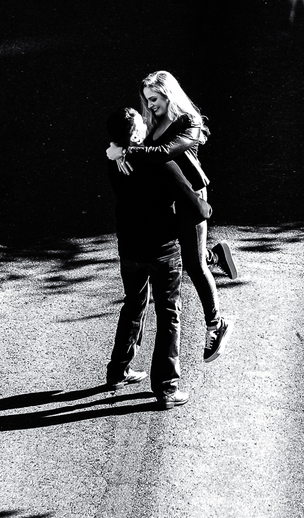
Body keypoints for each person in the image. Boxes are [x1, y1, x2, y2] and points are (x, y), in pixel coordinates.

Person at [107, 70, 237, 363]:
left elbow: (164, 152)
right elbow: (139, 143)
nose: (149, 105)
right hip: (167, 197)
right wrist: (117, 147)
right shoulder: (153, 121)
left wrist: (123, 151)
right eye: (146, 99)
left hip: (189, 196)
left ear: (168, 94)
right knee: (185, 252)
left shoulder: (189, 122)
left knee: (192, 264)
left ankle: (216, 323)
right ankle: (214, 255)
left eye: (154, 98)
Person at [105, 107, 210, 409]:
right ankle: (166, 389)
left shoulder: (115, 161)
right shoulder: (163, 165)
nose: (146, 123)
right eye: (141, 123)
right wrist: (205, 209)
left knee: (134, 303)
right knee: (168, 314)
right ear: (136, 135)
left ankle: (118, 370)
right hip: (163, 250)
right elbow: (197, 207)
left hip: (130, 248)